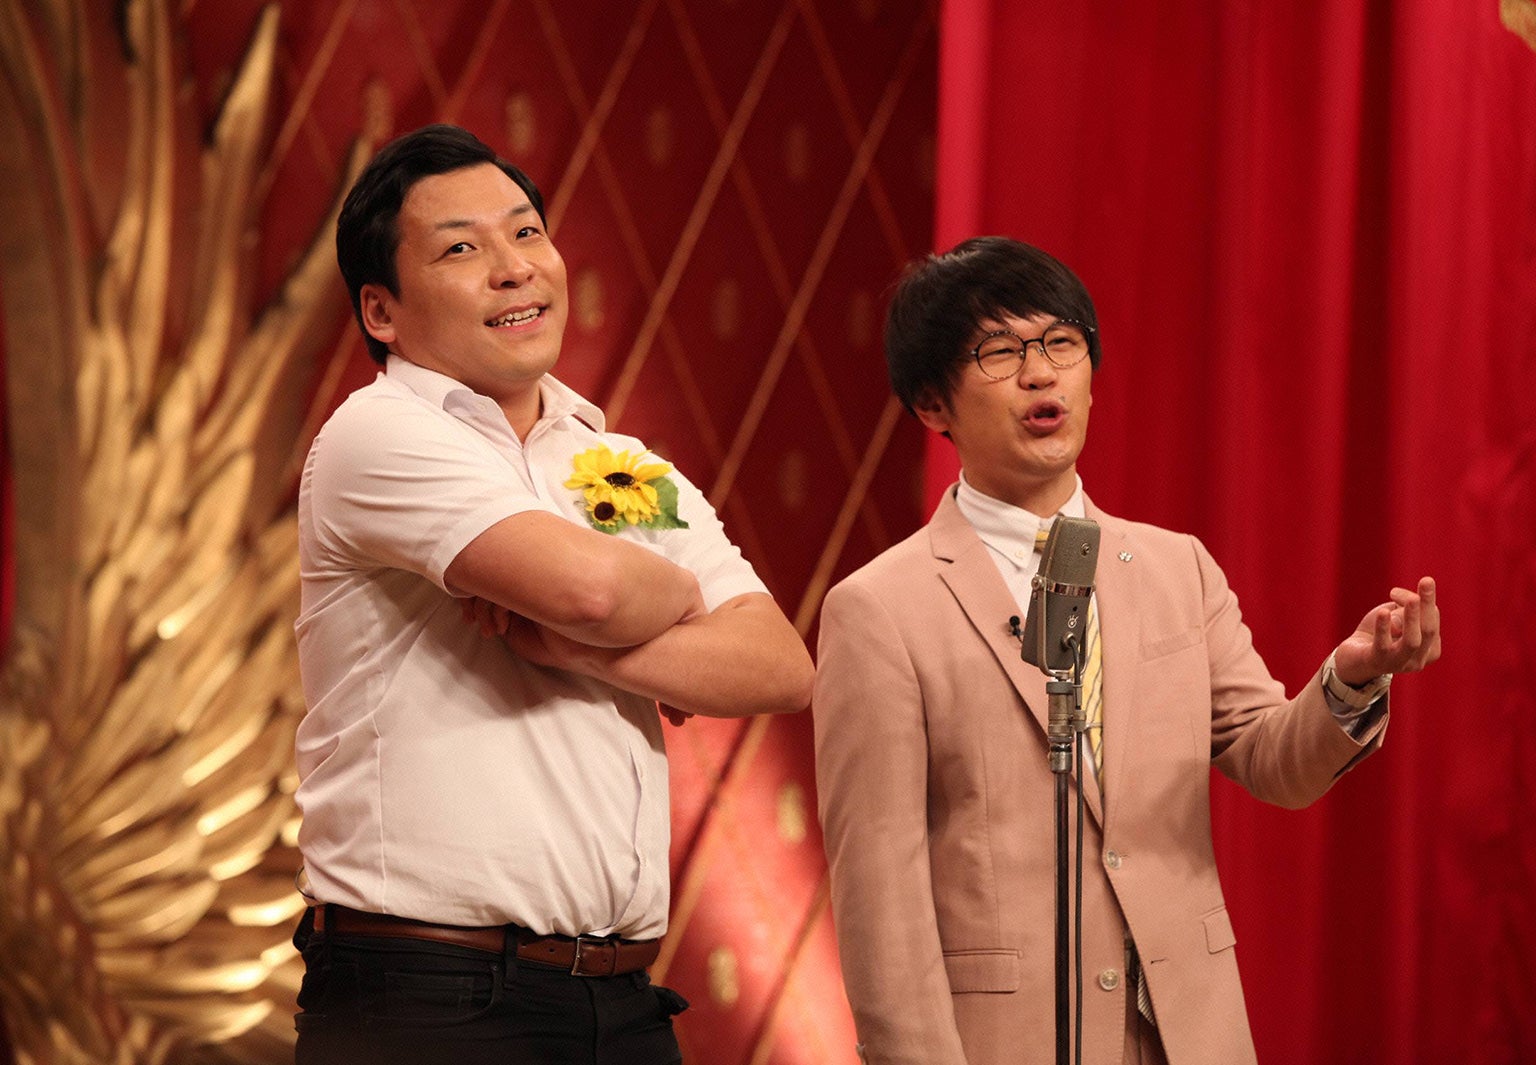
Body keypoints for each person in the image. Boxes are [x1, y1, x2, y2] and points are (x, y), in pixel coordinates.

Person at [811, 236, 1440, 1065]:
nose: (1041, 373)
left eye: (1060, 342)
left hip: (1187, 1032)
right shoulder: (881, 610)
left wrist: (1351, 680)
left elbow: (1271, 760)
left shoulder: (1177, 567)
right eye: (1000, 352)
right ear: (933, 405)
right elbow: (878, 888)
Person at [291, 124, 814, 1065]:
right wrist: (663, 601)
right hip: (431, 997)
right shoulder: (378, 433)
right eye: (461, 248)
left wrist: (577, 648)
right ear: (381, 310)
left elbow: (778, 664)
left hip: (621, 998)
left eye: (526, 232)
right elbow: (589, 588)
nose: (514, 268)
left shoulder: (613, 462)